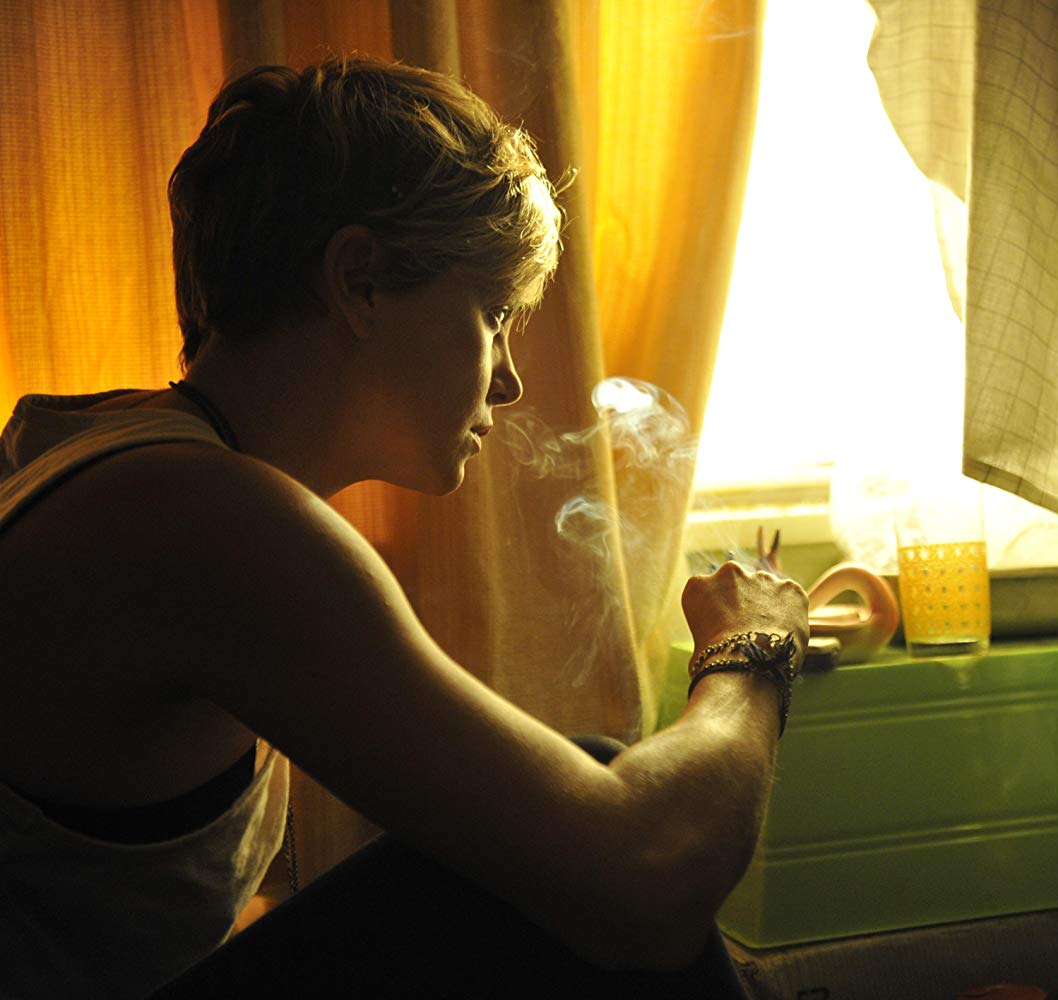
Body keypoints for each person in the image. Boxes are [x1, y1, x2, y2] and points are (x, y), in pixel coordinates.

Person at [0, 55, 807, 999]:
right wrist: (752, 653)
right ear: (361, 282)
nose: (509, 380)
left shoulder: (102, 450)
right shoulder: (206, 521)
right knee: (587, 836)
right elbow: (644, 879)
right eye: (493, 315)